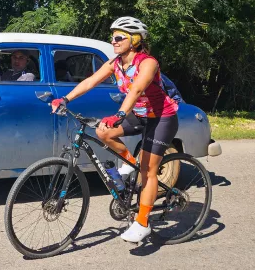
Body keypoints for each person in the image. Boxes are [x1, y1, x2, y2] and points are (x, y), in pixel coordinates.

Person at [50, 16, 179, 243]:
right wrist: (65, 99)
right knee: (103, 131)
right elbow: (90, 81)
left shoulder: (148, 62)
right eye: (112, 37)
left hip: (162, 118)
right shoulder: (115, 63)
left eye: (119, 37)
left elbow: (137, 89)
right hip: (139, 115)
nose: (114, 41)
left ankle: (143, 222)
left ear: (135, 40)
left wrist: (119, 114)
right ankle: (130, 165)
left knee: (149, 171)